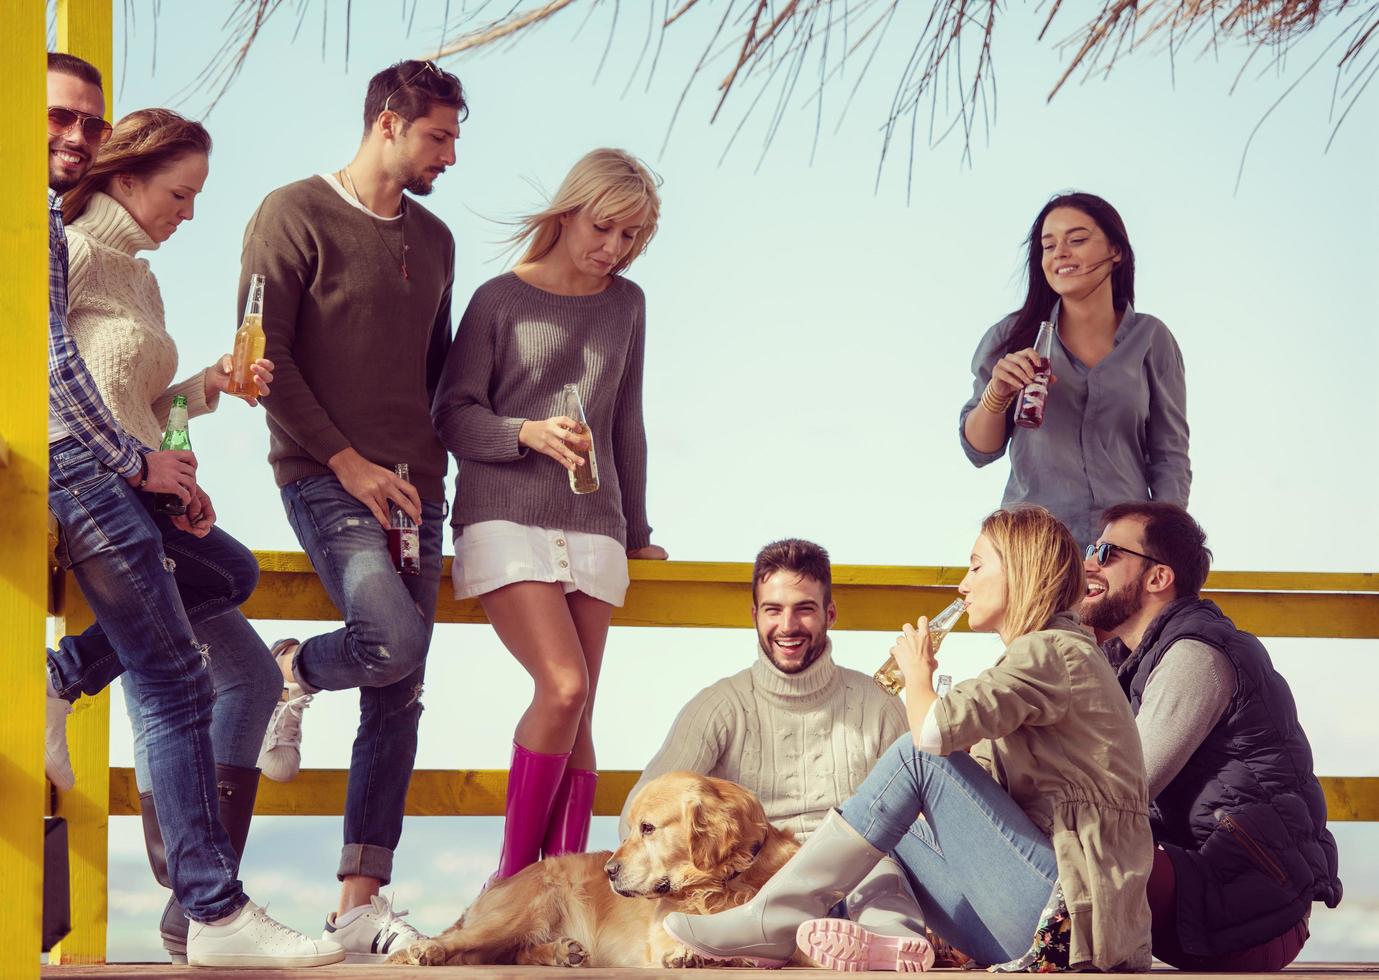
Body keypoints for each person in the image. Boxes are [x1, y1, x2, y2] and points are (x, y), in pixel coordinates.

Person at [42, 51, 341, 969]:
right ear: (126, 179)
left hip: (124, 472)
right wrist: (139, 463)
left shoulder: (136, 274)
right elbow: (63, 379)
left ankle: (59, 679)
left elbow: (139, 391)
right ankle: (214, 914)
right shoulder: (61, 242)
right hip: (83, 473)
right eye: (180, 194)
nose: (189, 214)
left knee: (228, 572)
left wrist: (199, 399)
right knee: (174, 680)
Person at [664, 507, 1154, 973]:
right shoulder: (1044, 657)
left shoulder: (1052, 650)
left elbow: (932, 735)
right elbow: (967, 778)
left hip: (1072, 922)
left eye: (977, 566)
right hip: (1045, 925)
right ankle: (885, 934)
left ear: (1020, 571)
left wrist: (918, 677)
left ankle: (772, 918)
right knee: (888, 810)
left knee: (913, 759)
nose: (964, 585)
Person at [239, 58, 465, 961]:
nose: (450, 155)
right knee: (392, 640)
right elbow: (263, 359)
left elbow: (439, 381)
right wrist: (350, 463)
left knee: (400, 696)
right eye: (438, 136)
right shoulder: (290, 213)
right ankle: (288, 667)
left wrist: (442, 471)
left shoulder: (439, 240)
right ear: (387, 124)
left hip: (420, 485)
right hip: (323, 474)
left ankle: (360, 901)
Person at [432, 147, 667, 885]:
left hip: (594, 526)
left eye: (631, 237)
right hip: (503, 517)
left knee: (583, 716)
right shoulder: (498, 299)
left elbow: (626, 420)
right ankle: (512, 881)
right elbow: (451, 415)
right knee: (562, 688)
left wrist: (638, 532)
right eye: (604, 228)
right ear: (567, 212)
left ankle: (560, 895)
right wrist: (524, 433)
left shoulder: (626, 304)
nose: (614, 249)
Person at [621, 538, 929, 947]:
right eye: (773, 610)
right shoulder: (719, 706)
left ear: (830, 614)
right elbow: (639, 810)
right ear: (754, 615)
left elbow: (917, 815)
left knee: (882, 872)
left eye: (804, 609)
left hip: (855, 876)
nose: (787, 626)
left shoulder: (877, 703)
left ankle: (892, 944)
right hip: (754, 885)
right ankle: (799, 937)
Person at [1082, 501, 1342, 971]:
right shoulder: (1134, 661)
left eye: (1106, 552)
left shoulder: (1195, 656)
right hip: (1211, 890)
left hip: (1250, 912)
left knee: (1074, 830)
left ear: (1158, 577)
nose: (1088, 563)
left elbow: (1117, 795)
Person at [959, 192, 1191, 550]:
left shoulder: (1151, 339)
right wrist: (996, 395)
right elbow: (979, 451)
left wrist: (1163, 547)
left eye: (1077, 240)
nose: (1060, 254)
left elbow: (1169, 455)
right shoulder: (1012, 337)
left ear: (1116, 251)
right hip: (1033, 551)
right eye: (1048, 246)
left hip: (1120, 553)